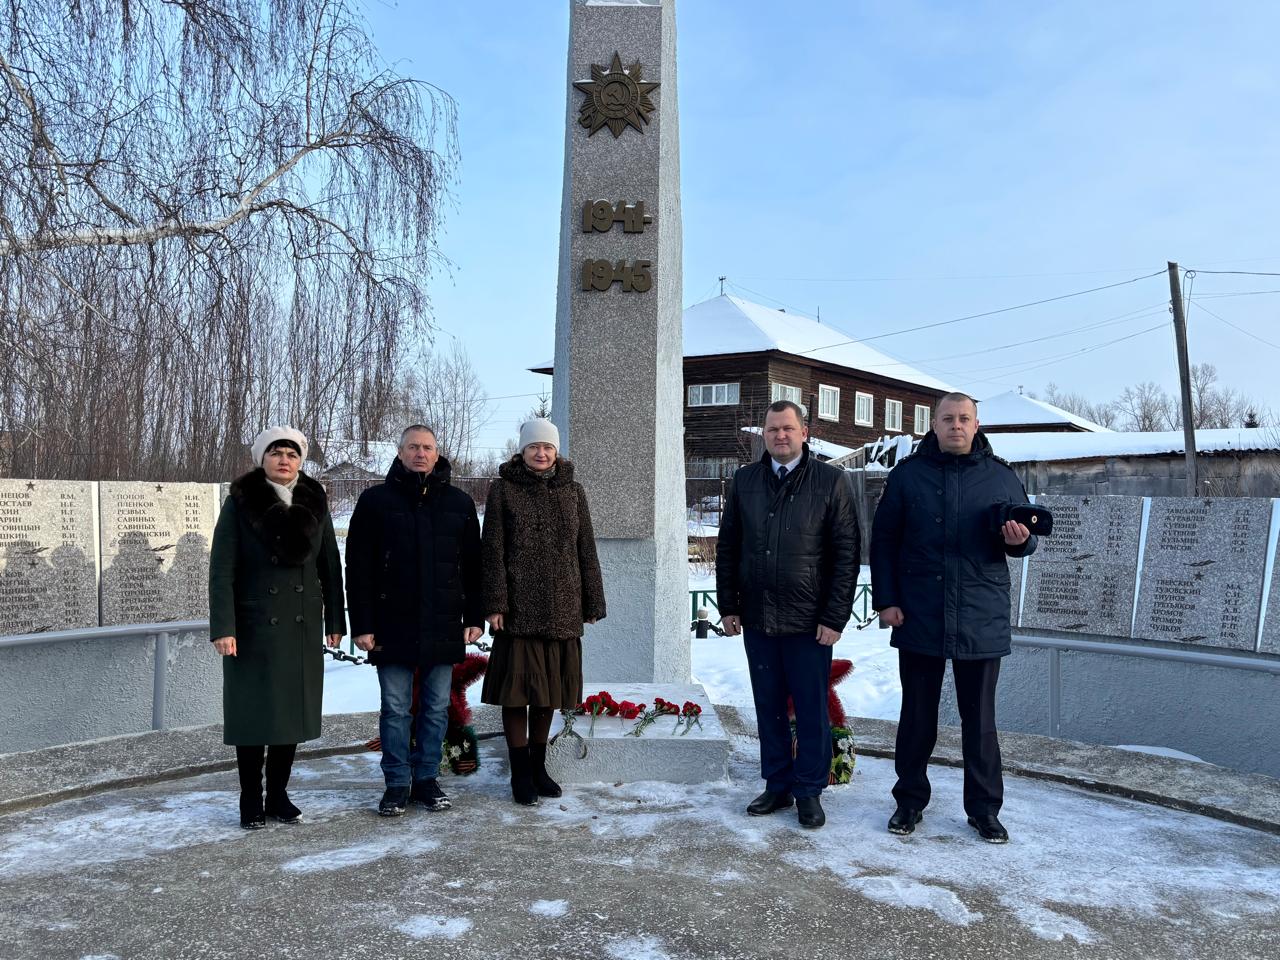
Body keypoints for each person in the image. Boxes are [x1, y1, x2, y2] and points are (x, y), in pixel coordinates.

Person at [870, 392, 1037, 844]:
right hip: (919, 613)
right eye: (948, 419)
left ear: (977, 424)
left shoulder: (1001, 477)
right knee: (917, 716)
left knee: (979, 720)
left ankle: (984, 810)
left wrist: (1020, 540)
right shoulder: (907, 477)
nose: (956, 426)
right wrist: (886, 600)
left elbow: (1025, 542)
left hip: (980, 615)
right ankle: (908, 801)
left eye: (964, 418)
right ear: (935, 424)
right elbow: (883, 541)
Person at [715, 400, 861, 830]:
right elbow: (728, 548)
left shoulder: (830, 482)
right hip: (758, 617)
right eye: (773, 428)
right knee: (769, 705)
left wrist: (834, 617)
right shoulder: (745, 481)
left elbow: (845, 555)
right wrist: (729, 606)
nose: (780, 435)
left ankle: (809, 790)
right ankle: (777, 783)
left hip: (808, 621)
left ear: (804, 432)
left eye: (788, 428)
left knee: (812, 708)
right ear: (763, 434)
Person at [209, 426, 346, 830]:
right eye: (276, 453)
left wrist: (335, 621)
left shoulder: (315, 498)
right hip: (251, 626)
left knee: (290, 714)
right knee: (253, 716)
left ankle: (279, 795)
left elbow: (329, 567)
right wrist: (223, 626)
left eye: (292, 454)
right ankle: (250, 798)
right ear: (261, 458)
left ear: (301, 461)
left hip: (301, 623)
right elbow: (221, 569)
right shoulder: (240, 501)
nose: (284, 460)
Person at [345, 425, 484, 817]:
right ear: (401, 451)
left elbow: (473, 568)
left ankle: (426, 779)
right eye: (413, 447)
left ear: (438, 453)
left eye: (427, 447)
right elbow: (358, 568)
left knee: (437, 707)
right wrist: (363, 624)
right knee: (395, 707)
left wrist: (473, 616)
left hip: (442, 624)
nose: (420, 453)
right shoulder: (375, 501)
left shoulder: (459, 503)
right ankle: (395, 783)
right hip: (392, 623)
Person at [480, 418, 606, 805]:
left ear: (556, 451)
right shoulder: (502, 491)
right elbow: (492, 550)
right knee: (518, 695)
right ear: (522, 451)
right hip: (518, 611)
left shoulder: (573, 491)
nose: (541, 452)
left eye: (547, 447)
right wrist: (495, 603)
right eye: (534, 446)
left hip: (563, 607)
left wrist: (593, 600)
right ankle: (519, 774)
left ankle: (539, 768)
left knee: (548, 694)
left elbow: (585, 547)